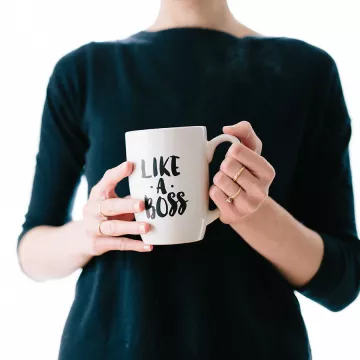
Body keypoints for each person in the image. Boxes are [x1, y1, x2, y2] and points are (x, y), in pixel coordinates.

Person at [17, 0, 359, 359]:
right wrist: (88, 234)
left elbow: (342, 282)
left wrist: (253, 213)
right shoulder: (83, 72)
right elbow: (31, 251)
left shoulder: (306, 72)